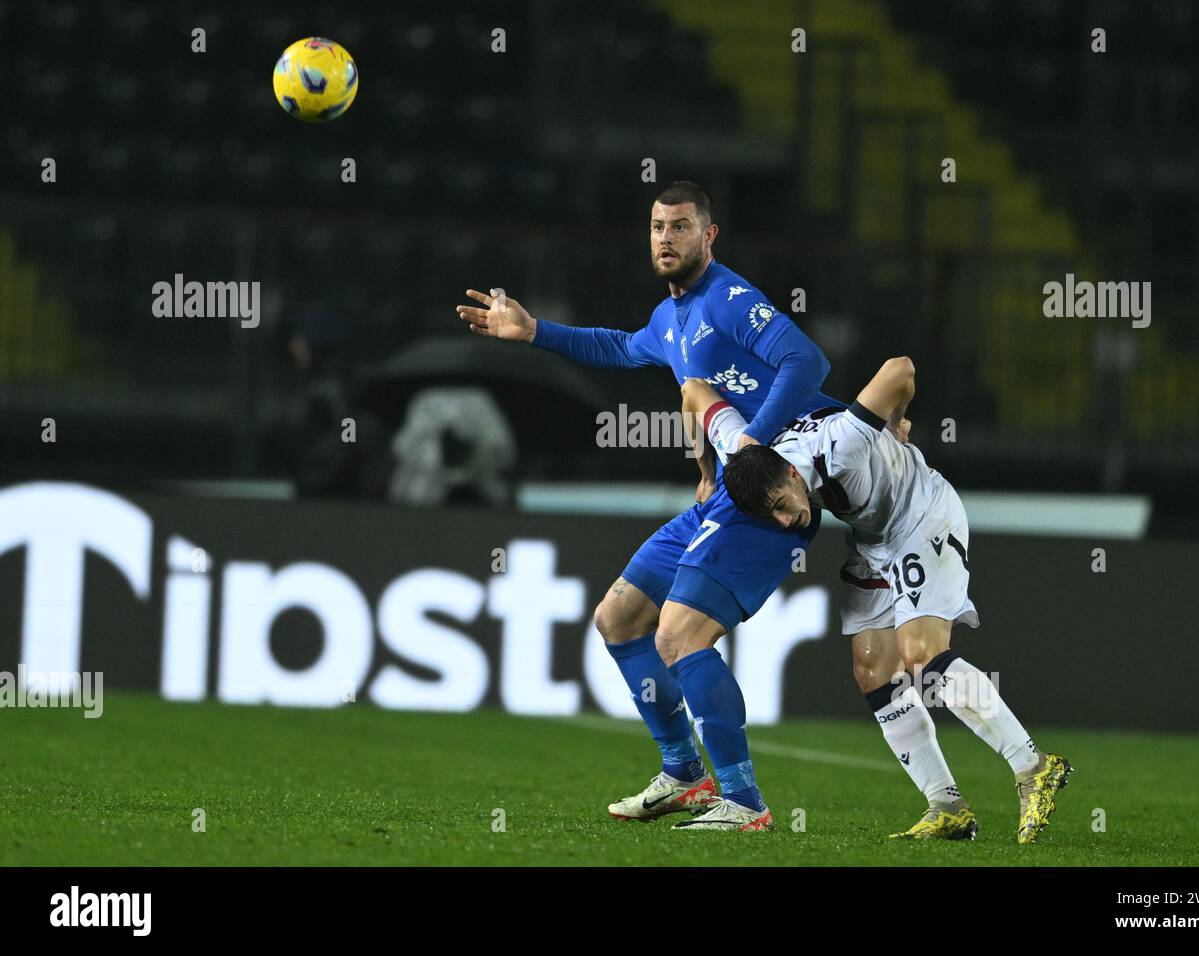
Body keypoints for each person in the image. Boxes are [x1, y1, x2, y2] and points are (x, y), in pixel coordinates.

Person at [456, 182, 843, 831]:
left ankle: (745, 803)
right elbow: (618, 347)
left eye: (681, 226)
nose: (666, 238)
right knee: (620, 618)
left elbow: (808, 360)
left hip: (764, 496)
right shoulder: (670, 319)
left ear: (708, 235)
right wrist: (533, 332)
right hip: (721, 495)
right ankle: (685, 773)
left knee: (678, 633)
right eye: (658, 226)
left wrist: (751, 444)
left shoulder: (727, 297)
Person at [683, 359, 1072, 843]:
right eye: (772, 516)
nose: (787, 521)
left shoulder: (841, 444)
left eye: (783, 504)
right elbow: (696, 389)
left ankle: (1033, 766)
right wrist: (703, 469)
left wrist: (895, 418)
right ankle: (946, 806)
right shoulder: (745, 453)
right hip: (873, 538)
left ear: (790, 471)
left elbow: (901, 368)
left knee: (921, 654)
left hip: (921, 514)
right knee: (872, 668)